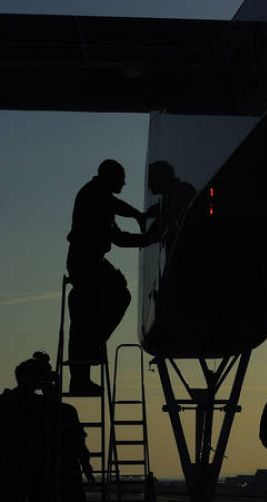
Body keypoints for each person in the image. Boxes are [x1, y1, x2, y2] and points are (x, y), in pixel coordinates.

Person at [66, 159, 155, 395]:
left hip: (87, 261)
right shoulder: (95, 197)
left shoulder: (97, 195)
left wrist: (138, 215)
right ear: (110, 177)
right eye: (121, 178)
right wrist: (149, 238)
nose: (125, 183)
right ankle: (93, 346)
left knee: (107, 298)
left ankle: (89, 355)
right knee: (117, 296)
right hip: (85, 262)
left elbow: (117, 207)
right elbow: (119, 238)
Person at [0, 352, 52, 501]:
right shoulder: (23, 402)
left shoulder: (7, 400)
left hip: (17, 462)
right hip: (19, 461)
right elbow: (50, 410)